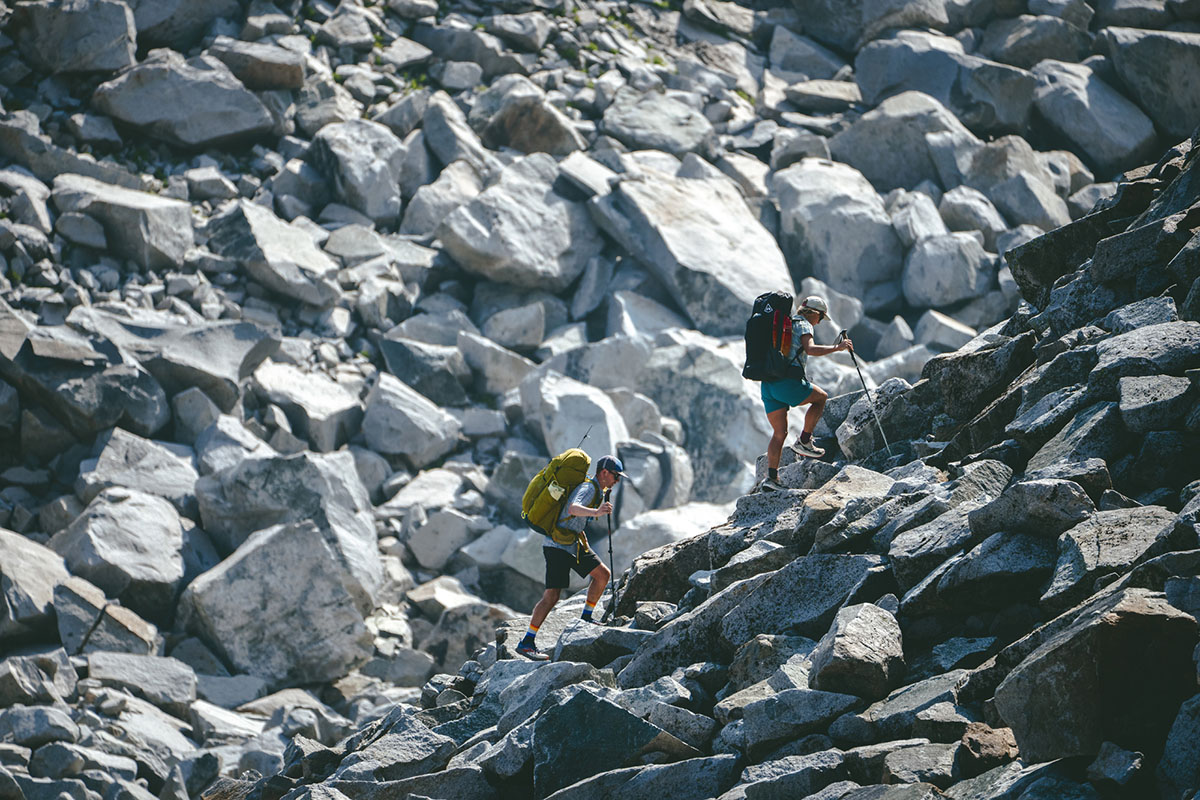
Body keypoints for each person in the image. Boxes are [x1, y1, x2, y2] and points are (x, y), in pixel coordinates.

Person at [515, 454, 624, 660]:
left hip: (572, 542)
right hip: (557, 545)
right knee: (552, 596)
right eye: (615, 476)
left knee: (602, 575)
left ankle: (586, 618)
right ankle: (526, 642)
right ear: (604, 473)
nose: (617, 481)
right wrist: (597, 512)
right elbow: (573, 508)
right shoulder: (588, 488)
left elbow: (572, 516)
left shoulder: (597, 490)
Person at [759, 295, 853, 492]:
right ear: (814, 313)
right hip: (786, 382)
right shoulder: (803, 324)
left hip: (768, 384)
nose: (819, 322)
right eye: (821, 317)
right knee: (821, 398)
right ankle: (804, 441)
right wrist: (838, 348)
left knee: (779, 433)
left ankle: (771, 478)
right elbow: (810, 349)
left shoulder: (784, 324)